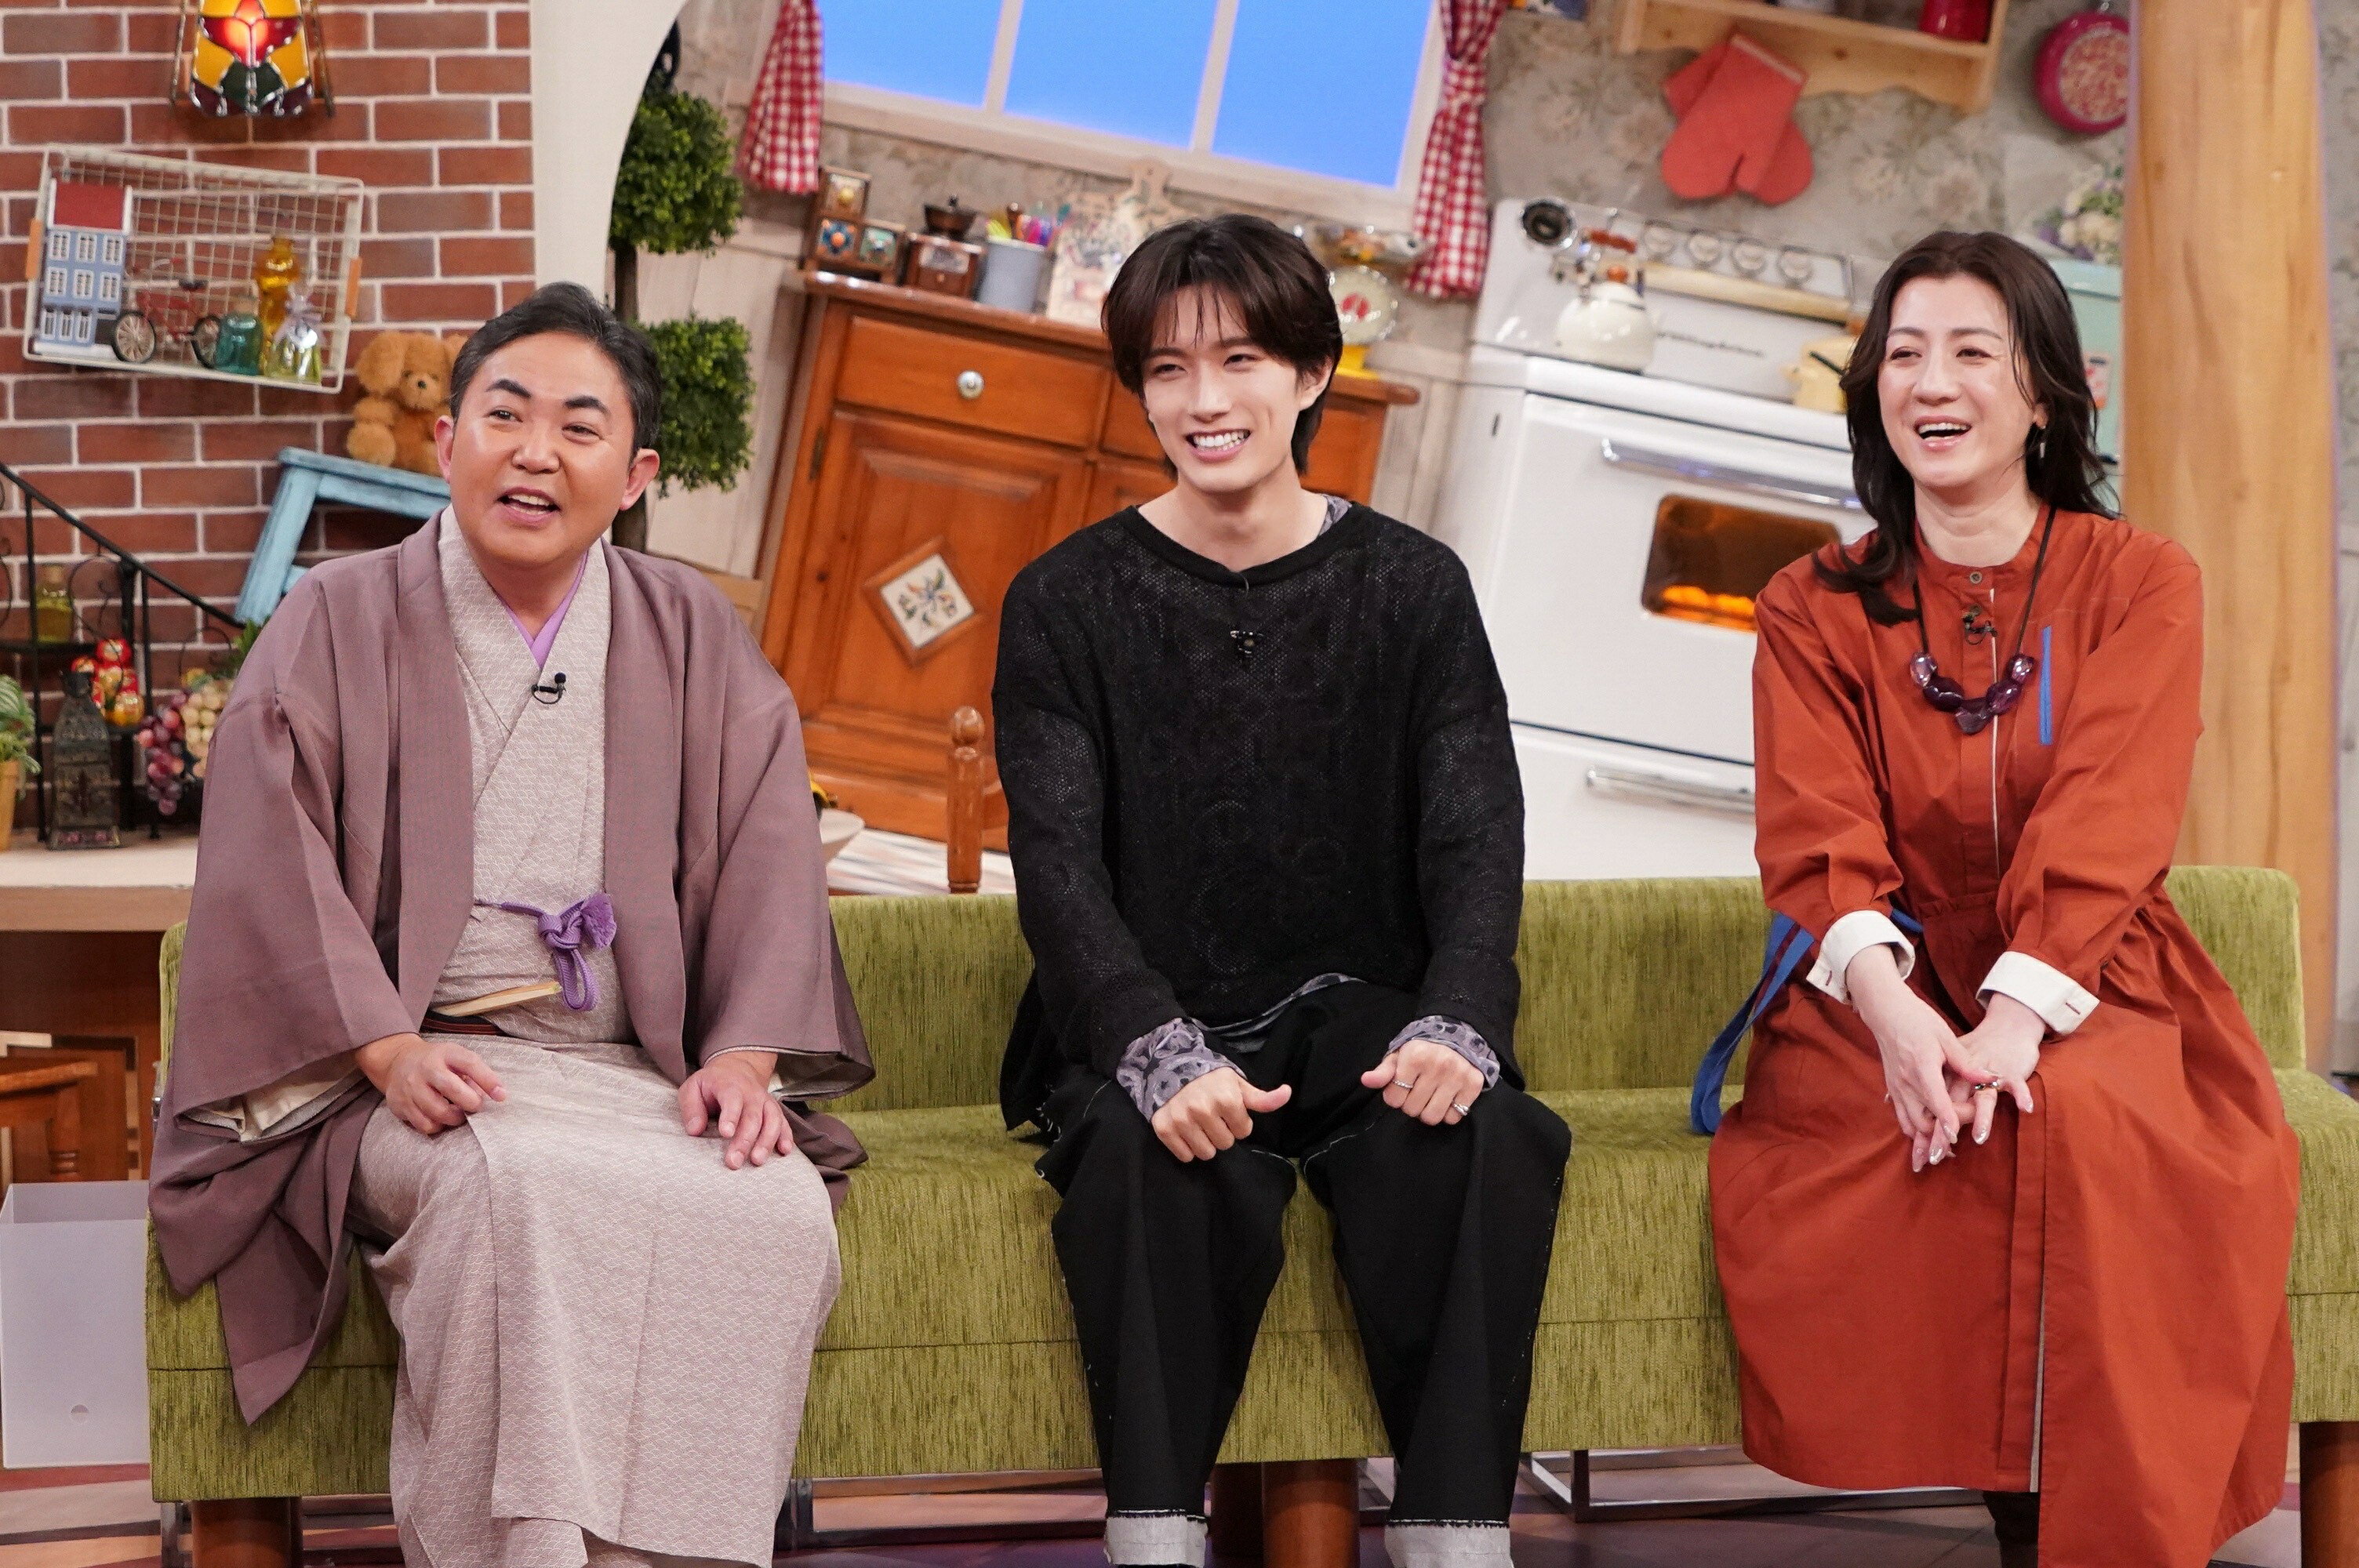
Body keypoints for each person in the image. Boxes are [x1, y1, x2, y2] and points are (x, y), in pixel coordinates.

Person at [150, 283, 871, 1568]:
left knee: (771, 1205)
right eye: (506, 414)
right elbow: (270, 863)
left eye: (580, 428)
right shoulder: (334, 616)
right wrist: (387, 1050)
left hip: (630, 1068)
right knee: (517, 1187)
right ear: (447, 442)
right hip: (407, 1079)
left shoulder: (691, 629)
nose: (536, 453)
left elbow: (770, 848)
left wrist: (744, 1054)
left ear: (635, 475)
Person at [1706, 231, 2299, 1568]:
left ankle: (2078, 1532)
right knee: (1909, 1131)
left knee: (2090, 1126)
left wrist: (2016, 1022)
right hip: (1878, 980)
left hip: (2095, 968)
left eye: (1973, 352)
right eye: (1904, 353)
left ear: (2045, 393)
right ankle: (2012, 1504)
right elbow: (1816, 831)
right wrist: (1901, 1019)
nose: (1934, 383)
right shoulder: (1810, 605)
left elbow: (2112, 812)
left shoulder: (2142, 579)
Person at [993, 213, 1572, 1568]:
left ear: (1313, 372)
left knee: (1484, 1135)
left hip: (1365, 1023)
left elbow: (1477, 836)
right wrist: (1151, 1044)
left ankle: (1456, 1541)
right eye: (1168, 370)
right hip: (1155, 1017)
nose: (1205, 400)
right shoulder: (1065, 600)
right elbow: (1056, 865)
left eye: (1240, 360)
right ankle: (1154, 1544)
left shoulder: (1417, 589)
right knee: (1147, 1150)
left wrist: (1459, 1021)